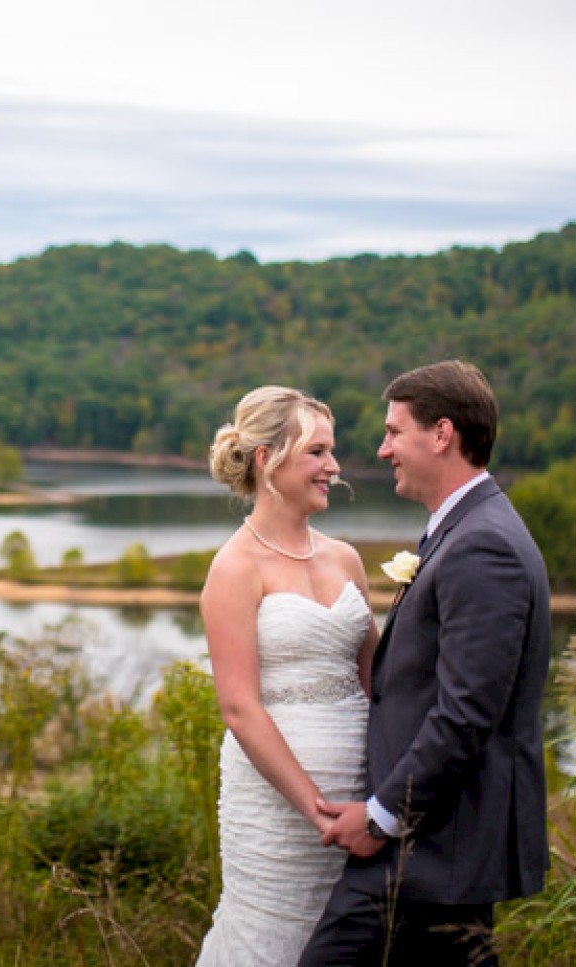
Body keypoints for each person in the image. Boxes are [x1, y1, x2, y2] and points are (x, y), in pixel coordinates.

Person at [300, 360, 551, 967]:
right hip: (432, 849)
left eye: (394, 432)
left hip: (434, 851)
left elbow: (465, 714)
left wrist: (381, 817)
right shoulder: (458, 531)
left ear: (442, 434)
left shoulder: (483, 546)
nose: (383, 449)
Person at [194, 387, 379, 967]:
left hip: (361, 802)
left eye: (332, 452)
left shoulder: (345, 558)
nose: (333, 467)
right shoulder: (234, 567)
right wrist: (316, 809)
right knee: (270, 938)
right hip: (280, 810)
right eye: (317, 452)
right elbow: (240, 709)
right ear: (266, 458)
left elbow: (376, 678)